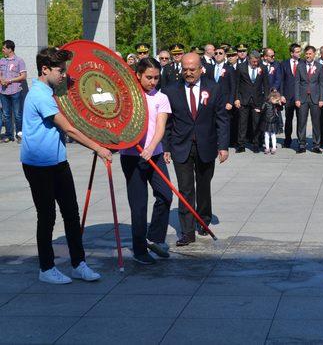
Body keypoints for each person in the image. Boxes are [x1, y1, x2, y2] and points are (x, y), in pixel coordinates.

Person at [21, 47, 110, 284]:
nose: (63, 75)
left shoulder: (49, 90)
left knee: (71, 214)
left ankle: (78, 264)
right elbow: (68, 128)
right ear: (45, 69)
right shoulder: (39, 95)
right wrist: (98, 148)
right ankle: (46, 268)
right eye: (60, 71)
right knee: (47, 216)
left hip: (58, 162)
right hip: (39, 165)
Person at [162, 52, 229, 246]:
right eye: (185, 69)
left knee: (203, 186)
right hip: (181, 146)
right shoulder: (171, 90)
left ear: (201, 69)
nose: (188, 73)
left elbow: (222, 119)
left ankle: (203, 220)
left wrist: (223, 146)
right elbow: (167, 122)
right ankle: (187, 231)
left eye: (192, 69)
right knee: (185, 189)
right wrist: (166, 147)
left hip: (206, 145)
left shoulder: (213, 88)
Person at [120, 58, 173, 264]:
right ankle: (139, 249)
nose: (153, 82)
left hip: (155, 154)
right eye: (148, 77)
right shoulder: (128, 98)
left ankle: (155, 238)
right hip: (131, 157)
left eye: (156, 78)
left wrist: (151, 148)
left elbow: (160, 127)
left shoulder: (161, 98)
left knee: (165, 195)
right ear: (138, 75)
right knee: (139, 205)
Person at [235, 51, 270, 153]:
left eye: (257, 62)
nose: (255, 64)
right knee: (242, 123)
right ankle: (241, 144)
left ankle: (256, 144)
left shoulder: (263, 68)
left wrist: (266, 100)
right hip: (243, 99)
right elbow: (236, 84)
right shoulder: (241, 67)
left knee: (257, 123)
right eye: (254, 62)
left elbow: (266, 85)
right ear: (249, 59)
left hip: (257, 99)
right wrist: (236, 98)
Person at [295, 45, 323, 153]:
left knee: (316, 122)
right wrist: (297, 98)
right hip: (302, 98)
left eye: (310, 54)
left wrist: (322, 98)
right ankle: (301, 145)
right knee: (301, 122)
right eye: (306, 54)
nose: (308, 56)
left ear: (314, 54)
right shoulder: (300, 66)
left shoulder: (319, 66)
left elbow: (322, 84)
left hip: (316, 99)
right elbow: (297, 83)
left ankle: (316, 145)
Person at [0, 40, 27, 143]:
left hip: (15, 91)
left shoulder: (19, 61)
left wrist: (9, 80)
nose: (2, 50)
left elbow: (23, 76)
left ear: (10, 49)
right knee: (6, 115)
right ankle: (8, 135)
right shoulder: (2, 60)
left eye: (4, 48)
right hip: (3, 92)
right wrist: (2, 80)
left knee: (17, 114)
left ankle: (19, 135)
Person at [281, 43, 300, 148]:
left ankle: (300, 140)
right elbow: (281, 81)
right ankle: (287, 139)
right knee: (288, 119)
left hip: (300, 97)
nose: (299, 53)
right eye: (297, 52)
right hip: (288, 96)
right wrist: (282, 95)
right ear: (291, 53)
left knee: (301, 119)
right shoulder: (284, 64)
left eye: (299, 51)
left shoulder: (303, 63)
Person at [262, 90, 283, 155]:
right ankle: (267, 148)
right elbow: (262, 110)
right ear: (271, 98)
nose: (276, 101)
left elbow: (281, 109)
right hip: (266, 121)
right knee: (266, 135)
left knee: (273, 135)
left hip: (273, 121)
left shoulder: (276, 105)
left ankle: (274, 147)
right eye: (276, 100)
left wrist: (280, 104)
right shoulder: (266, 103)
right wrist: (259, 110)